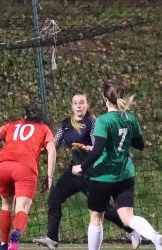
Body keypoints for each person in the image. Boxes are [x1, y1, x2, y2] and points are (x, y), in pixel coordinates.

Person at [33, 92, 141, 250]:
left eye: (82, 102)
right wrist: (35, 149)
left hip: (90, 172)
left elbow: (98, 146)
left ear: (87, 105)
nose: (78, 105)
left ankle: (132, 231)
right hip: (73, 171)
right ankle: (52, 238)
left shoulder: (93, 123)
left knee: (106, 209)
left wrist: (87, 148)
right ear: (71, 105)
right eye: (75, 103)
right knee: (54, 198)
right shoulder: (65, 124)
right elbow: (53, 145)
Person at [71, 83, 162, 250]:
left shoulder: (103, 120)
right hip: (125, 175)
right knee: (127, 217)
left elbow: (98, 151)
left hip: (102, 176)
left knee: (96, 216)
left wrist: (82, 167)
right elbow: (140, 145)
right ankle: (154, 236)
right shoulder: (130, 118)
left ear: (104, 99)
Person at [0, 105, 56, 250]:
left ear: (25, 117)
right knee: (22, 208)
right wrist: (49, 176)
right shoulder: (44, 128)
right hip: (25, 168)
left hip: (4, 166)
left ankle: (3, 243)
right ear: (42, 119)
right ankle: (16, 233)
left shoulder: (13, 124)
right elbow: (51, 150)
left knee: (6, 206)